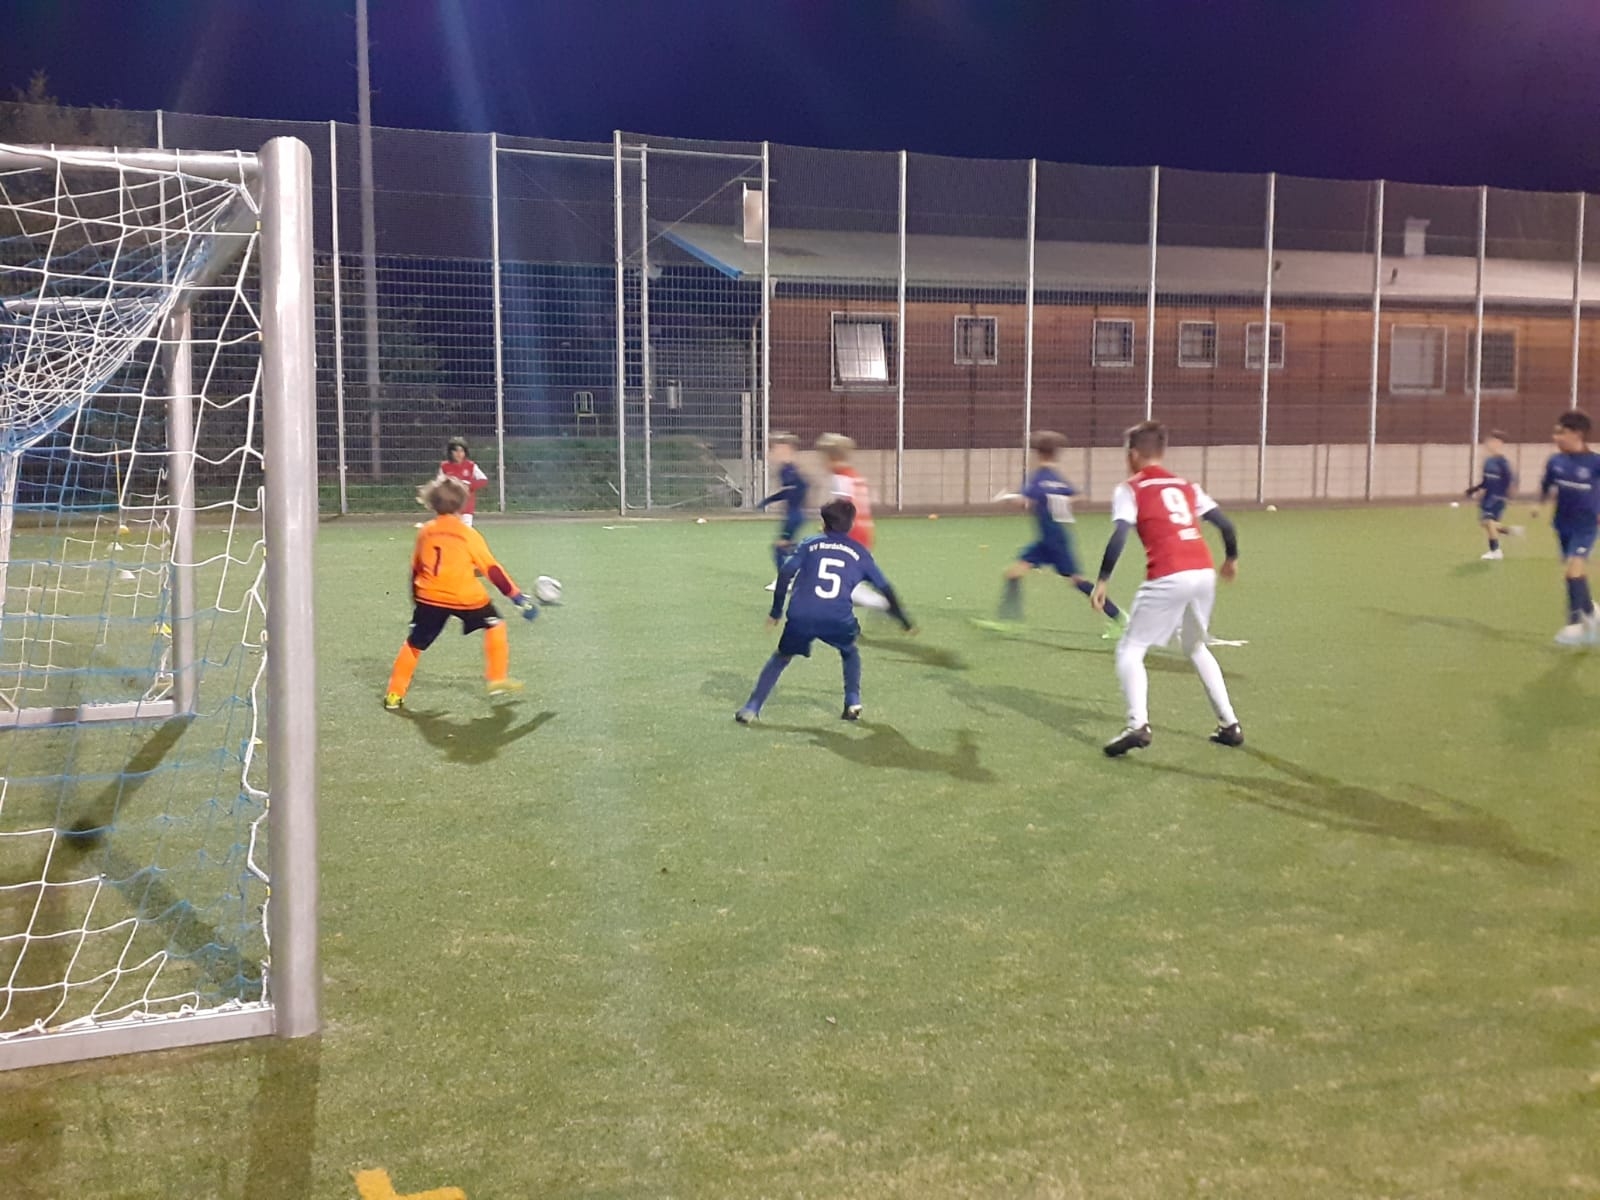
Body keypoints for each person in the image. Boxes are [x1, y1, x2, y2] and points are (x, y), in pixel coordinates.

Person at [1091, 420, 1243, 757]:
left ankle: (1137, 725)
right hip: (1202, 572)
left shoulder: (1131, 489)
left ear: (1133, 455)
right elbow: (1226, 525)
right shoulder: (1187, 486)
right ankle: (1229, 724)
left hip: (1168, 574)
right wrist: (1231, 559)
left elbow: (1120, 534)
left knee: (1130, 648)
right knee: (1195, 646)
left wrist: (1102, 579)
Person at [736, 498, 914, 724]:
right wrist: (903, 620)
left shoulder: (809, 544)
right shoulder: (860, 553)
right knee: (849, 651)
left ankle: (751, 707)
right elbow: (885, 588)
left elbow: (786, 573)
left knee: (781, 657)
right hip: (837, 617)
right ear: (850, 525)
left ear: (823, 523)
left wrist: (776, 611)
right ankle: (852, 701)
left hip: (801, 616)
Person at [384, 476, 538, 711]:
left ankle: (394, 695)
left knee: (414, 644)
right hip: (465, 597)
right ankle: (497, 678)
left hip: (429, 597)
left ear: (432, 503)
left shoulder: (425, 532)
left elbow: (417, 568)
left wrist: (417, 602)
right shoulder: (467, 534)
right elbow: (492, 570)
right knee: (495, 625)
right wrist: (517, 598)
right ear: (463, 504)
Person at [981, 429, 1124, 637]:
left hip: (1054, 541)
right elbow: (1080, 496)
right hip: (1051, 539)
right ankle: (1009, 621)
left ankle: (1119, 618)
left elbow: (1025, 501)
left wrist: (1006, 498)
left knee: (1077, 581)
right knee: (1013, 573)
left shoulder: (1037, 478)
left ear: (1037, 454)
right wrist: (1061, 501)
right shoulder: (1057, 479)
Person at [1533, 409, 1600, 645]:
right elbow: (1546, 484)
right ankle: (1591, 610)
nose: (1556, 437)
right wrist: (1539, 504)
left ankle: (1575, 623)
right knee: (1576, 572)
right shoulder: (1555, 461)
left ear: (1577, 434)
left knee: (1572, 570)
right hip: (1562, 524)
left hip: (1586, 526)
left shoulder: (1595, 462)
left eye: (1561, 433)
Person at [816, 432, 890, 611]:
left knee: (835, 573)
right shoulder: (854, 476)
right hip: (864, 532)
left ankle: (879, 603)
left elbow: (841, 508)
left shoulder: (840, 478)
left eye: (823, 458)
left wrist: (827, 527)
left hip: (851, 533)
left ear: (831, 458)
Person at [758, 433, 808, 588]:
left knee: (779, 548)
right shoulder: (787, 469)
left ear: (787, 449)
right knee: (787, 546)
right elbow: (801, 487)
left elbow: (797, 490)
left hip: (794, 515)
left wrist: (769, 500)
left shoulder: (789, 471)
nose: (773, 453)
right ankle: (801, 569)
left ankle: (786, 579)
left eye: (776, 449)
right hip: (794, 514)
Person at [1464, 431, 1519, 560]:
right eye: (1489, 442)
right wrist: (1474, 489)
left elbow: (1510, 480)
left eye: (1493, 442)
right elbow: (1486, 481)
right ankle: (1509, 531)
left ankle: (1495, 551)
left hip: (1497, 498)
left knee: (1488, 521)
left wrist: (1508, 495)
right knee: (1486, 523)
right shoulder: (1488, 461)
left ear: (1499, 444)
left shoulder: (1503, 462)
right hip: (1487, 497)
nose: (1490, 445)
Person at [437, 437, 489, 526]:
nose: (459, 454)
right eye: (456, 451)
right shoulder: (444, 466)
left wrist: (469, 485)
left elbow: (484, 480)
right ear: (450, 452)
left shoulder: (471, 466)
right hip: (450, 507)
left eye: (461, 451)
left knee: (465, 531)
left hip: (466, 507)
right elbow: (439, 484)